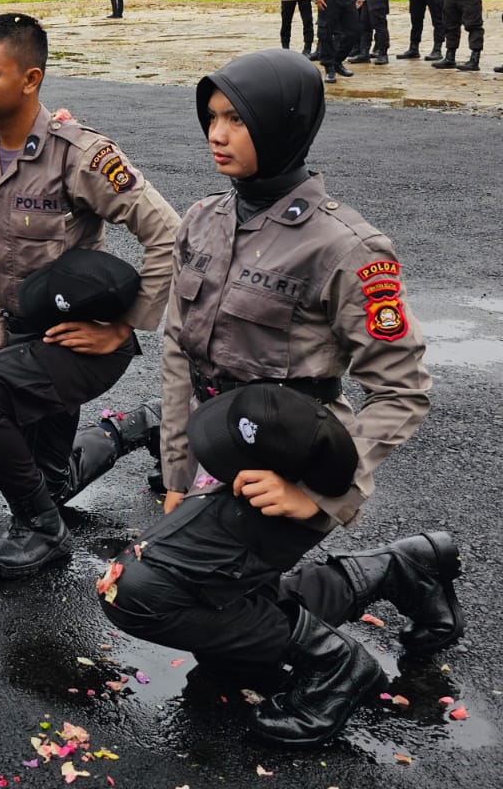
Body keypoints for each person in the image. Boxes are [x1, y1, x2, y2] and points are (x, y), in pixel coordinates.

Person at [97, 49, 460, 749]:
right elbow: (178, 356)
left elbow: (402, 388)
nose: (217, 133)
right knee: (225, 616)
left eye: (237, 118)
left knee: (138, 591)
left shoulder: (349, 248)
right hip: (217, 461)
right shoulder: (203, 220)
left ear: (285, 123)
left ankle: (335, 666)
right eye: (212, 117)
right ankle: (402, 565)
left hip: (295, 467)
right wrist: (178, 477)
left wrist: (321, 493)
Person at [0, 13, 180, 579]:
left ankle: (43, 531)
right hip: (23, 337)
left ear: (31, 79)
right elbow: (1, 268)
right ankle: (140, 425)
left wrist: (128, 326)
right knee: (51, 479)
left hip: (80, 345)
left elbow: (166, 231)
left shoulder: (80, 154)